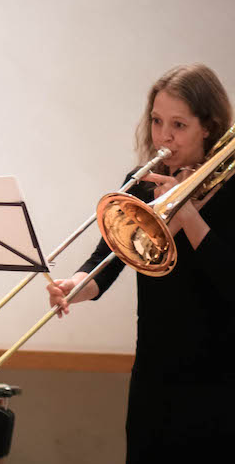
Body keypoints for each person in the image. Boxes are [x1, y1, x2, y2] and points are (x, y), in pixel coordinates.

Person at [47, 63, 234, 464]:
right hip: (154, 373)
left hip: (221, 380)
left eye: (179, 125)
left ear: (208, 126)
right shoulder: (143, 180)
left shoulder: (232, 189)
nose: (163, 136)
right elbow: (107, 260)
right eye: (156, 120)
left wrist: (186, 214)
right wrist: (75, 286)